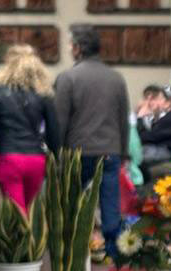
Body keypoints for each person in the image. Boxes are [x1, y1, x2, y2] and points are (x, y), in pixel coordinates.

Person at [55, 24, 129, 257]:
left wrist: (56, 154)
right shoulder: (116, 79)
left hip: (78, 152)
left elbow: (60, 122)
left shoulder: (67, 78)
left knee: (72, 207)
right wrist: (123, 153)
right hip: (110, 151)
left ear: (77, 48)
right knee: (110, 208)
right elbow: (123, 120)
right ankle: (113, 255)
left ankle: (72, 255)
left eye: (70, 45)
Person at [0, 44, 60, 213]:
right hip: (36, 159)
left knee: (16, 214)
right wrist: (57, 162)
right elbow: (53, 132)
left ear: (9, 66)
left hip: (8, 158)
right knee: (30, 213)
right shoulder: (43, 94)